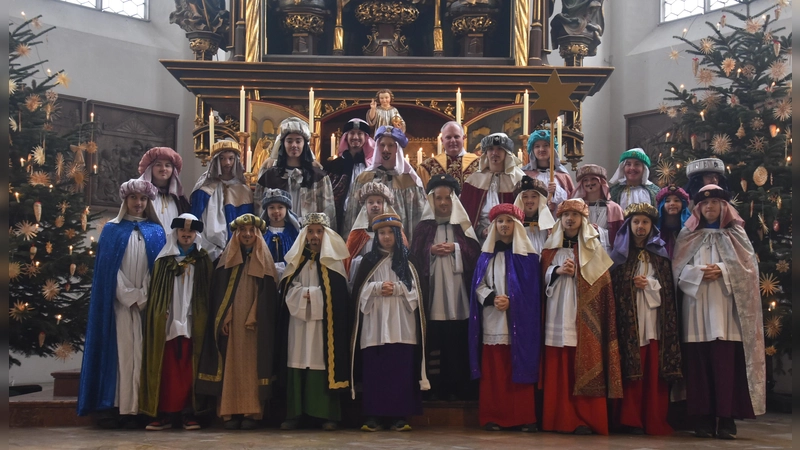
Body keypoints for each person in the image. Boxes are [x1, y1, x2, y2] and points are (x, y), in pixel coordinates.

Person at [673, 184, 765, 440]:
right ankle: (702, 419)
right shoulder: (687, 234)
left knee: (726, 365)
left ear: (724, 206)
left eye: (714, 202)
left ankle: (726, 419)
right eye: (704, 203)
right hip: (695, 309)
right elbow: (676, 270)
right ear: (698, 208)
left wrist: (723, 271)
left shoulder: (736, 234)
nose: (709, 207)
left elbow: (749, 270)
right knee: (698, 365)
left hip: (727, 311)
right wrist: (698, 273)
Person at [77, 179, 166, 429]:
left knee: (142, 355)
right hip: (119, 305)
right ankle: (115, 407)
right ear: (125, 200)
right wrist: (128, 296)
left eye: (143, 199)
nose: (138, 203)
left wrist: (143, 296)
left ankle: (140, 409)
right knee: (121, 355)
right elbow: (108, 271)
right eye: (133, 198)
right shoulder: (112, 230)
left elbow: (158, 269)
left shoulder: (156, 232)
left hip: (146, 306)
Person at [540, 198, 622, 435]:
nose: (570, 219)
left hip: (584, 317)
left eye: (575, 215)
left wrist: (578, 275)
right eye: (565, 215)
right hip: (556, 312)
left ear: (583, 220)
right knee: (559, 363)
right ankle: (558, 418)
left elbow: (602, 286)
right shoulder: (550, 249)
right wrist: (556, 271)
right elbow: (539, 279)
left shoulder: (594, 249)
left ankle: (585, 419)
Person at [196, 214, 279, 430]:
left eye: (251, 230)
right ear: (237, 234)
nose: (247, 234)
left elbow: (268, 297)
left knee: (253, 367)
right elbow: (220, 296)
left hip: (255, 326)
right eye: (243, 230)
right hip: (232, 326)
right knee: (230, 366)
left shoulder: (265, 262)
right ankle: (229, 411)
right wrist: (225, 317)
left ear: (257, 233)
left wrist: (254, 316)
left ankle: (252, 412)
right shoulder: (226, 264)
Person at [350, 213, 429, 432]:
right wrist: (376, 288)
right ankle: (373, 416)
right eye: (382, 233)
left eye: (390, 233)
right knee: (375, 371)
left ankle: (399, 416)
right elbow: (358, 294)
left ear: (397, 234)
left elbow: (420, 293)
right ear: (376, 236)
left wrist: (397, 289)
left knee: (400, 371)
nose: (386, 237)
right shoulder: (368, 261)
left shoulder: (409, 260)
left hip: (402, 325)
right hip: (374, 325)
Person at [608, 203, 682, 435]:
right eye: (636, 222)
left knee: (652, 368)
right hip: (628, 323)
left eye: (645, 222)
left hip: (654, 319)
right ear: (629, 225)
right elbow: (612, 289)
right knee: (630, 368)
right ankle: (629, 419)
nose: (640, 226)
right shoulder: (619, 256)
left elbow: (668, 291)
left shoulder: (660, 255)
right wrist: (629, 285)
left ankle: (652, 417)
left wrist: (649, 284)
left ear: (652, 226)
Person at [468, 203, 541, 432]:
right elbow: (478, 286)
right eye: (500, 221)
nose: (504, 225)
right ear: (494, 226)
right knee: (495, 371)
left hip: (520, 323)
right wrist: (492, 298)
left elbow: (532, 293)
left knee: (519, 365)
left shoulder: (529, 258)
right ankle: (494, 416)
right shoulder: (485, 257)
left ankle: (524, 417)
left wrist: (513, 301)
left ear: (517, 225)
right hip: (494, 320)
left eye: (509, 221)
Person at [410, 174, 481, 401]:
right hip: (434, 295)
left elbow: (476, 256)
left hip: (459, 295)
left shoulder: (463, 227)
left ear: (455, 200)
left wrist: (456, 249)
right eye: (438, 198)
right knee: (435, 340)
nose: (442, 203)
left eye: (447, 198)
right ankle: (434, 387)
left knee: (457, 339)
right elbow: (414, 258)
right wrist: (430, 251)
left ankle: (459, 386)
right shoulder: (423, 228)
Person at [277, 213, 351, 431]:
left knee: (322, 361)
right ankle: (294, 414)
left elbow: (339, 298)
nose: (315, 236)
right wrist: (305, 294)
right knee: (296, 360)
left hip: (323, 327)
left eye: (319, 231)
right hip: (298, 324)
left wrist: (312, 295)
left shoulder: (334, 264)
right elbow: (286, 291)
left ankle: (326, 414)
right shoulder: (296, 262)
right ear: (304, 235)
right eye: (310, 231)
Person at [140, 213, 213, 431]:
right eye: (183, 231)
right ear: (176, 233)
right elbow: (156, 294)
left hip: (193, 322)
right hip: (169, 321)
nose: (186, 235)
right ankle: (166, 413)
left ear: (196, 234)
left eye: (191, 231)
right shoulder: (164, 261)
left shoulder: (203, 260)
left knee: (189, 369)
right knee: (168, 369)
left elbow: (208, 292)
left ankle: (189, 413)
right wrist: (161, 313)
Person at [345, 125, 426, 241]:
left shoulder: (410, 181)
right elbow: (352, 217)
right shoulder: (364, 178)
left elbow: (417, 220)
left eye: (390, 145)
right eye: (382, 145)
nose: (386, 150)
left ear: (397, 148)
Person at [258, 117, 336, 223]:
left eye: (298, 141)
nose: (294, 145)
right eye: (289, 141)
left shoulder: (318, 177)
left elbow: (328, 214)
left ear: (304, 144)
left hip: (308, 230)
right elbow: (260, 212)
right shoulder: (269, 176)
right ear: (283, 144)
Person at [190, 139, 254, 261]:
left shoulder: (243, 190)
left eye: (231, 158)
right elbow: (197, 220)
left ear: (236, 161)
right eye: (222, 158)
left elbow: (248, 224)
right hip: (207, 248)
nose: (227, 163)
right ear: (215, 161)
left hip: (236, 251)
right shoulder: (204, 187)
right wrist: (210, 249)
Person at [461, 133, 526, 240]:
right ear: (486, 153)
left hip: (511, 239)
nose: (495, 153)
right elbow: (465, 215)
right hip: (480, 239)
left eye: (499, 149)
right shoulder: (473, 181)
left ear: (506, 152)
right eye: (491, 149)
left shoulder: (519, 179)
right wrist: (480, 231)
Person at [344, 182, 406, 283]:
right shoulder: (358, 233)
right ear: (365, 206)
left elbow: (404, 257)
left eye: (379, 202)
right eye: (371, 202)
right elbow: (348, 260)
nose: (375, 205)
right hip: (367, 280)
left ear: (384, 205)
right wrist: (362, 262)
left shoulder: (396, 232)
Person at [323, 118, 375, 234]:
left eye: (360, 133)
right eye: (352, 133)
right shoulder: (333, 166)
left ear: (366, 137)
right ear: (346, 137)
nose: (355, 137)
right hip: (340, 217)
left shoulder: (372, 167)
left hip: (365, 217)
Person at [570, 164, 624, 253]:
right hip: (581, 251)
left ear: (601, 182)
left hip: (605, 253)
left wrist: (599, 231)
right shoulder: (576, 207)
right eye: (585, 180)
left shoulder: (614, 208)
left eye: (593, 179)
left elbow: (620, 236)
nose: (589, 183)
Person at [137, 147, 191, 230]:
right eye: (158, 165)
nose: (163, 169)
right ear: (150, 168)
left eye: (167, 165)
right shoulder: (140, 195)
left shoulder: (179, 200)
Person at [522, 129, 575, 211]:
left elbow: (571, 200)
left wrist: (556, 190)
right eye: (537, 146)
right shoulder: (525, 175)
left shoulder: (562, 175)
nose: (541, 149)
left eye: (546, 145)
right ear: (532, 150)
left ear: (553, 149)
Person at [417, 121, 480, 189]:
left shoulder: (479, 163)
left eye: (456, 137)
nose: (453, 140)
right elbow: (423, 193)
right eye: (448, 137)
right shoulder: (428, 166)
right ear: (442, 140)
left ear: (464, 138)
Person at [260, 188, 301, 280]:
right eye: (271, 207)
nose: (276, 211)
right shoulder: (261, 232)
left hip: (290, 276)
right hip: (265, 277)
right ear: (266, 210)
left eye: (280, 207)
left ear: (287, 209)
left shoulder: (294, 232)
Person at [513, 176, 555, 254]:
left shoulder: (549, 227)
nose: (529, 200)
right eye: (525, 197)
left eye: (534, 196)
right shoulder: (513, 224)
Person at [655, 185, 691, 258]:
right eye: (667, 201)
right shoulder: (655, 229)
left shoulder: (690, 228)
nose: (672, 203)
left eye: (676, 200)